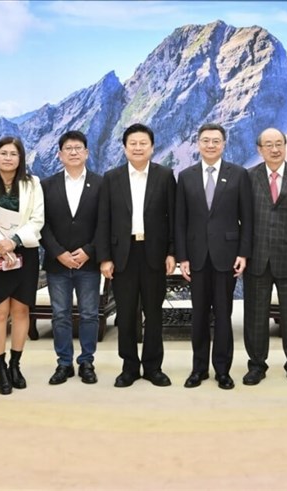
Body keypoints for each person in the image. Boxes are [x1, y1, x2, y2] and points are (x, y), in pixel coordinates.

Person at [97, 123, 176, 388]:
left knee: (154, 313)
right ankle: (129, 367)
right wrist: (105, 258)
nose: (138, 147)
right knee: (127, 313)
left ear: (152, 147)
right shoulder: (112, 177)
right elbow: (103, 220)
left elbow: (173, 219)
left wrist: (171, 253)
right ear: (125, 148)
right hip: (123, 255)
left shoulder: (165, 175)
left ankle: (154, 367)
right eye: (133, 143)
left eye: (143, 143)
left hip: (154, 253)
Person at [175, 123, 253, 390]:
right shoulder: (185, 176)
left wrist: (243, 252)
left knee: (223, 314)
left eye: (216, 141)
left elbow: (248, 218)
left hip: (227, 256)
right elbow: (180, 221)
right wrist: (182, 256)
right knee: (198, 315)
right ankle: (198, 369)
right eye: (206, 140)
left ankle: (222, 370)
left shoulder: (238, 174)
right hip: (196, 257)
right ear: (198, 144)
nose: (210, 145)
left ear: (224, 144)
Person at [0, 137, 43, 394]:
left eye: (14, 153)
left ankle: (16, 364)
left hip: (25, 254)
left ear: (20, 158)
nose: (8, 158)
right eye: (3, 153)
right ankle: (0, 368)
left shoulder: (32, 184)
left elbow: (37, 220)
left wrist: (13, 241)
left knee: (21, 311)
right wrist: (0, 245)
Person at [243, 128, 287, 386]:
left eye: (279, 144)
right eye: (268, 145)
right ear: (259, 149)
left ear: (285, 145)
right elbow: (243, 217)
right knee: (255, 316)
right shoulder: (248, 177)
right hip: (257, 257)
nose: (275, 149)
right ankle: (256, 365)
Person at [40, 131, 102, 385]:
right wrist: (59, 253)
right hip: (58, 263)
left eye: (78, 148)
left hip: (89, 261)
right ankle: (63, 363)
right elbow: (42, 225)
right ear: (59, 154)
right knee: (60, 315)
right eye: (68, 148)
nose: (74, 152)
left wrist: (89, 250)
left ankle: (87, 361)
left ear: (87, 153)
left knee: (89, 314)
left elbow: (106, 223)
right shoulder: (46, 185)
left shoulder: (101, 184)